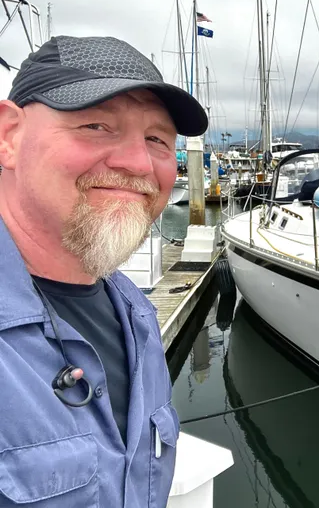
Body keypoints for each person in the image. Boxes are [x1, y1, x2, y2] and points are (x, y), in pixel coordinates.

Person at [0, 36, 207, 507]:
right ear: (8, 136)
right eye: (96, 125)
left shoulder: (137, 314)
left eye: (157, 139)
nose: (137, 163)